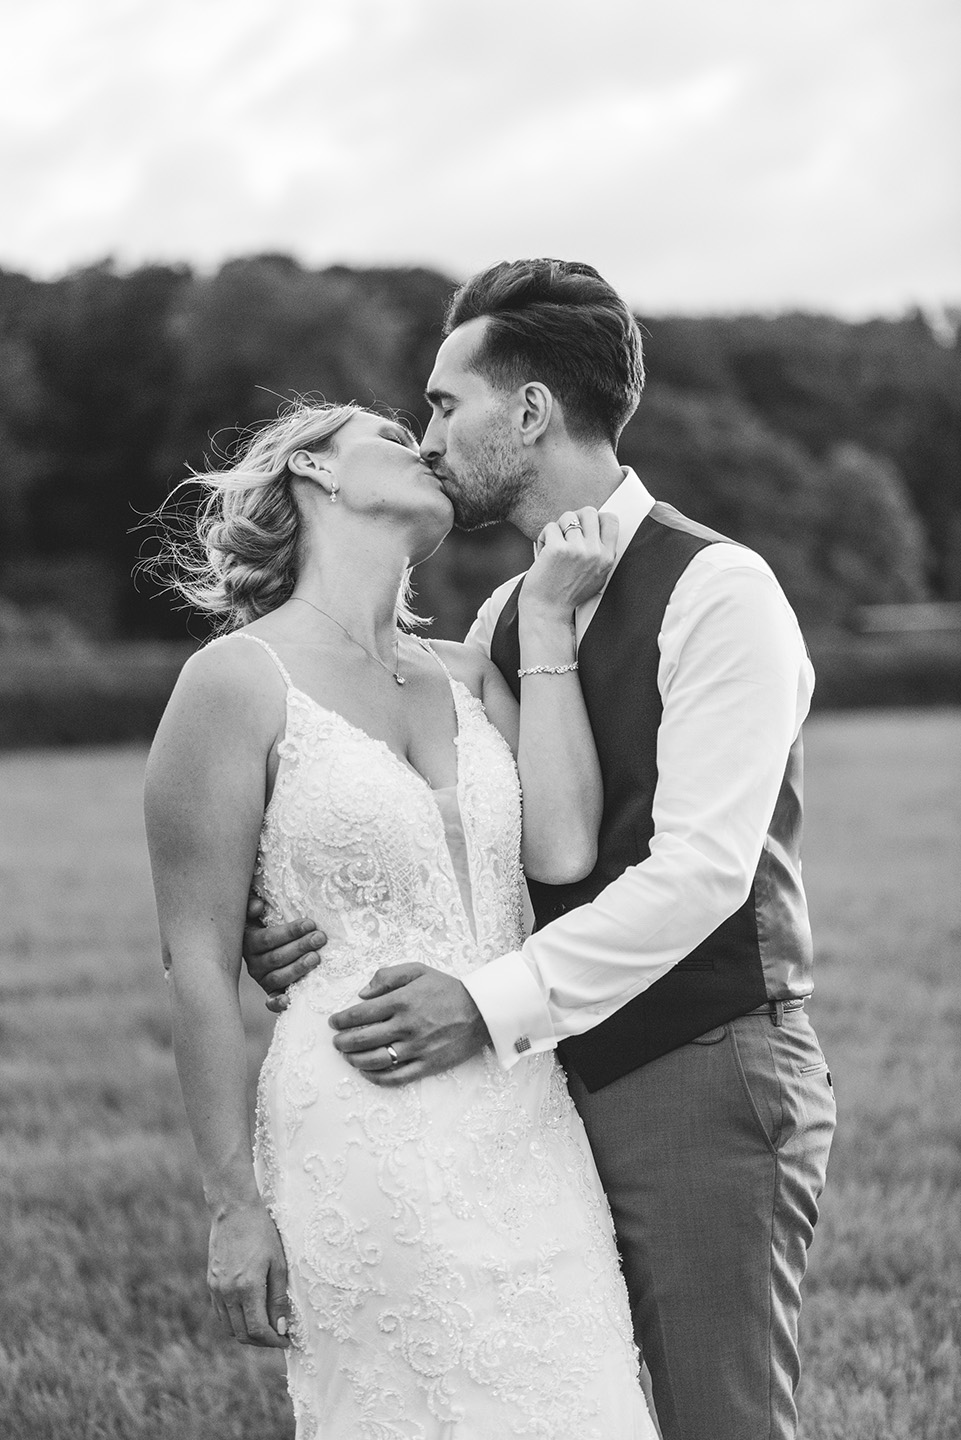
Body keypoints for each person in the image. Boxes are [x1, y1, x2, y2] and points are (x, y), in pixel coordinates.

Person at [244, 259, 837, 1440]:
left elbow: (704, 874)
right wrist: (301, 916)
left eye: (443, 405)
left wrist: (482, 999)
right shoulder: (505, 620)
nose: (427, 438)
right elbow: (479, 846)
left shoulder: (721, 589)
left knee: (715, 1421)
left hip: (700, 1073)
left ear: (528, 412)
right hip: (542, 1103)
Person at [143, 400, 656, 1437]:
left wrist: (550, 622)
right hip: (358, 1113)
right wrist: (234, 1203)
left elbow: (558, 850)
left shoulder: (469, 671)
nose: (424, 444)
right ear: (314, 473)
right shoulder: (235, 680)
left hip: (523, 1114)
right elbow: (194, 962)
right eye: (390, 433)